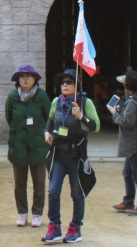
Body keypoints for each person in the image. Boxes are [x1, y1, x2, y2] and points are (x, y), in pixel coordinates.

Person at [41, 69, 100, 244]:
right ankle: (54, 226)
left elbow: (96, 126)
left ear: (76, 85)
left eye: (69, 82)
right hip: (59, 154)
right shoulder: (56, 102)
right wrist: (46, 132)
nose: (65, 85)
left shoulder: (85, 102)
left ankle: (75, 227)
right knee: (53, 191)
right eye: (62, 82)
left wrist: (81, 116)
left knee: (77, 193)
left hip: (76, 156)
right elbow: (50, 121)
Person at [5, 63, 51, 229]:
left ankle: (37, 213)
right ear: (18, 80)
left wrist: (41, 133)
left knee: (39, 181)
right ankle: (22, 213)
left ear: (34, 79)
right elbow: (9, 117)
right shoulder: (12, 96)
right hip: (18, 145)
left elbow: (49, 117)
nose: (25, 79)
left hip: (38, 145)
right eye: (22, 77)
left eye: (29, 77)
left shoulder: (41, 96)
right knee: (19, 182)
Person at [108, 70, 137, 217]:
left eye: (124, 84)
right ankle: (128, 201)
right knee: (128, 173)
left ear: (128, 87)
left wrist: (114, 113)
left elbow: (127, 122)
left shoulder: (132, 102)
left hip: (135, 144)